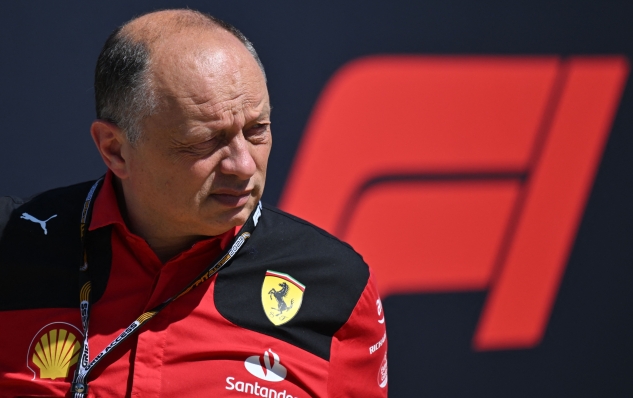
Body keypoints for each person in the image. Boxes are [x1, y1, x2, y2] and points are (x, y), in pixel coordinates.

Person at [0, 9, 388, 398]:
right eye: (205, 141)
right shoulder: (11, 245)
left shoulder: (336, 287)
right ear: (114, 149)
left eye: (257, 130)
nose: (243, 165)